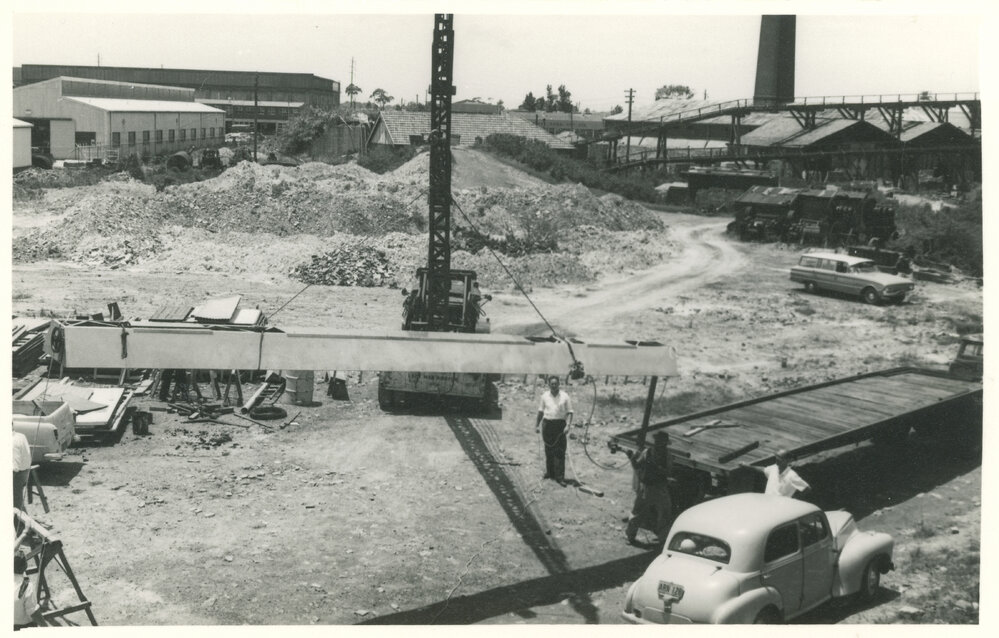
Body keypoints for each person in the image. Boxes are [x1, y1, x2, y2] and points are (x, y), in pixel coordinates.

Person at [625, 431, 673, 545]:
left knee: (664, 513)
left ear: (665, 443)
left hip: (660, 488)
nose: (658, 443)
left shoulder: (667, 455)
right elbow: (637, 465)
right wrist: (631, 457)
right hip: (646, 488)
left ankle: (663, 539)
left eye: (661, 442)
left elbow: (669, 472)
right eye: (657, 441)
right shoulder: (647, 452)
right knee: (637, 512)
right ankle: (630, 536)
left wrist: (656, 466)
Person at [535, 376, 573, 485]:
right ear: (549, 385)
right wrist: (537, 425)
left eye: (556, 383)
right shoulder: (544, 396)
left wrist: (568, 425)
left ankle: (560, 477)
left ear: (559, 384)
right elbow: (540, 412)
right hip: (547, 424)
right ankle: (550, 473)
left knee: (560, 451)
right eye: (552, 384)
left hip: (560, 425)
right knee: (549, 449)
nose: (554, 385)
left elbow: (570, 412)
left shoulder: (565, 396)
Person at [14, 554, 45, 629]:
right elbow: (33, 612)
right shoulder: (27, 586)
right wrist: (45, 626)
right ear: (25, 566)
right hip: (23, 626)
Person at [12, 432, 32, 513]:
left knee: (16, 503)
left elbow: (14, 468)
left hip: (18, 475)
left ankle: (20, 521)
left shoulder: (12, 442)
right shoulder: (21, 436)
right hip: (25, 471)